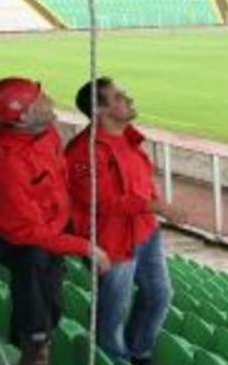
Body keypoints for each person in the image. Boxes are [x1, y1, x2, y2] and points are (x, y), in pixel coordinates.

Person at [0, 77, 112, 365]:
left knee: (52, 289)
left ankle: (38, 333)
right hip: (6, 234)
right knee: (34, 259)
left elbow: (59, 181)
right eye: (41, 99)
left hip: (48, 221)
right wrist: (86, 248)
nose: (50, 100)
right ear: (23, 117)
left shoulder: (46, 133)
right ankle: (34, 343)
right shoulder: (3, 164)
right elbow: (27, 232)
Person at [65, 78, 174, 365]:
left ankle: (139, 353)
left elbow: (142, 180)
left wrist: (152, 206)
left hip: (145, 231)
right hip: (110, 241)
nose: (128, 99)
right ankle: (112, 359)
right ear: (100, 109)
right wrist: (156, 205)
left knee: (160, 295)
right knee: (113, 312)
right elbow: (101, 200)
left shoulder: (128, 137)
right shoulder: (82, 151)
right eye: (118, 97)